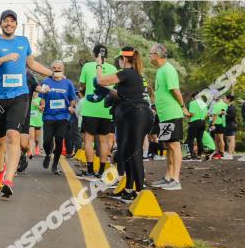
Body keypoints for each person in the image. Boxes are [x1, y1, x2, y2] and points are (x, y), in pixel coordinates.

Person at [0, 11, 52, 198]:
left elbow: (32, 64)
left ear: (16, 24)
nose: (9, 24)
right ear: (1, 24)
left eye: (12, 21)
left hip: (19, 96)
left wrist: (52, 74)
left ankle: (9, 180)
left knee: (13, 135)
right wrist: (3, 58)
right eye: (6, 21)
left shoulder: (23, 42)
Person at [94, 47, 153, 202]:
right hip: (137, 114)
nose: (119, 61)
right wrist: (107, 92)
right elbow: (121, 94)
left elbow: (100, 80)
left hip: (136, 115)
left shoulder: (127, 73)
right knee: (126, 153)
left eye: (120, 58)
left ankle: (140, 192)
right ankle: (128, 189)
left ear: (125, 59)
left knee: (134, 152)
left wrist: (98, 65)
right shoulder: (136, 76)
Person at [148, 44, 188, 191]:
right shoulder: (160, 70)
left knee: (174, 145)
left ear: (157, 55)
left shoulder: (168, 70)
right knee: (167, 146)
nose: (149, 56)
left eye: (150, 54)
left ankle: (176, 180)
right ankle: (168, 177)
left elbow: (175, 91)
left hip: (172, 113)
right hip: (163, 114)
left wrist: (183, 105)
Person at [78, 44, 117, 178]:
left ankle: (89, 170)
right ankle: (101, 171)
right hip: (106, 110)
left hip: (90, 109)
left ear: (95, 54)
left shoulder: (88, 66)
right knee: (104, 140)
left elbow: (82, 86)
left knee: (88, 140)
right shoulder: (113, 68)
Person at [39, 60, 77, 175]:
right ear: (51, 69)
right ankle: (47, 153)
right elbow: (42, 97)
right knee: (47, 141)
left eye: (59, 68)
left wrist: (71, 106)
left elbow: (72, 99)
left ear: (63, 69)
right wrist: (42, 105)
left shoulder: (68, 83)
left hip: (63, 115)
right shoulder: (46, 81)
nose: (56, 70)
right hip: (49, 115)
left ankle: (55, 164)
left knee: (59, 139)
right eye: (54, 68)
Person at [185, 91, 208, 160]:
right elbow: (206, 115)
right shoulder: (204, 103)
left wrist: (186, 114)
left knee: (190, 139)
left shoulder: (193, 103)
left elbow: (192, 114)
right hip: (203, 122)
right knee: (199, 139)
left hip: (195, 122)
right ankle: (201, 154)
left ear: (193, 97)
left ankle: (190, 155)